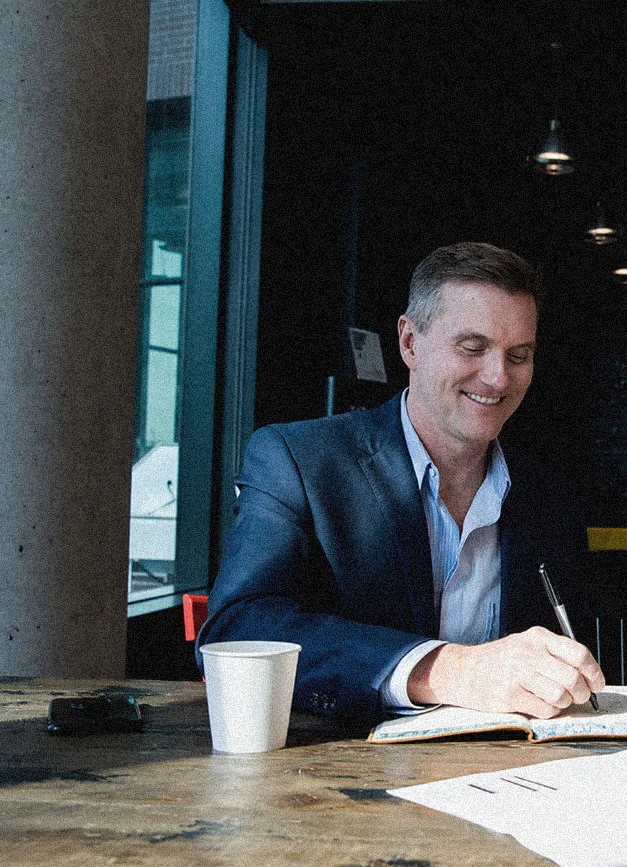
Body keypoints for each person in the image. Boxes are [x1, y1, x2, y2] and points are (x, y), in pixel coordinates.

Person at [199, 242, 604, 722]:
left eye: (519, 356)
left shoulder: (549, 491)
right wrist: (444, 668)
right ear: (409, 343)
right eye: (472, 348)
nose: (497, 378)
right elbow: (236, 630)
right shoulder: (301, 461)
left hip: (510, 775)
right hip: (340, 773)